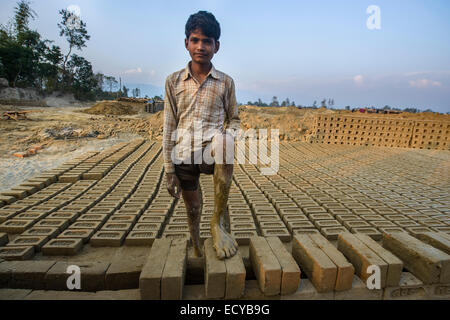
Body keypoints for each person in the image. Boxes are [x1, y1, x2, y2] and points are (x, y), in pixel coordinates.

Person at [163, 11, 240, 259]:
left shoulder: (225, 82)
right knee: (193, 208)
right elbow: (169, 126)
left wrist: (227, 136)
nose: (201, 46)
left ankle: (217, 224)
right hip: (183, 153)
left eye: (207, 41)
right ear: (186, 42)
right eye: (195, 40)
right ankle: (196, 246)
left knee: (226, 142)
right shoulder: (173, 81)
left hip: (211, 151)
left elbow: (235, 119)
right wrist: (169, 169)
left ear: (216, 46)